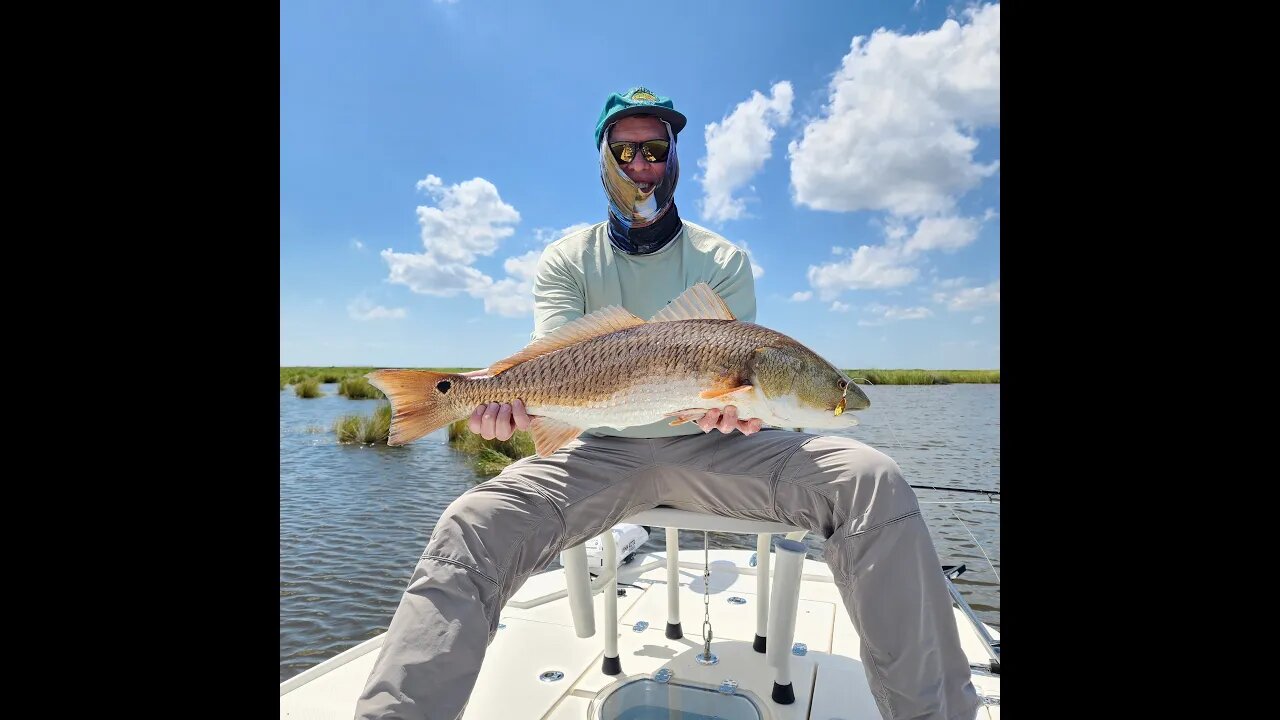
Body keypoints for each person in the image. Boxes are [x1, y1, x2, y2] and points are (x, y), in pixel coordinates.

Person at [354, 86, 981, 720]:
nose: (641, 163)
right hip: (598, 448)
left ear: (675, 156)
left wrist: (744, 410)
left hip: (713, 445)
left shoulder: (723, 259)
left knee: (871, 478)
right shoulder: (567, 260)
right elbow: (551, 360)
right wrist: (494, 398)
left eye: (655, 148)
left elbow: (743, 368)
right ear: (604, 158)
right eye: (624, 150)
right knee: (471, 520)